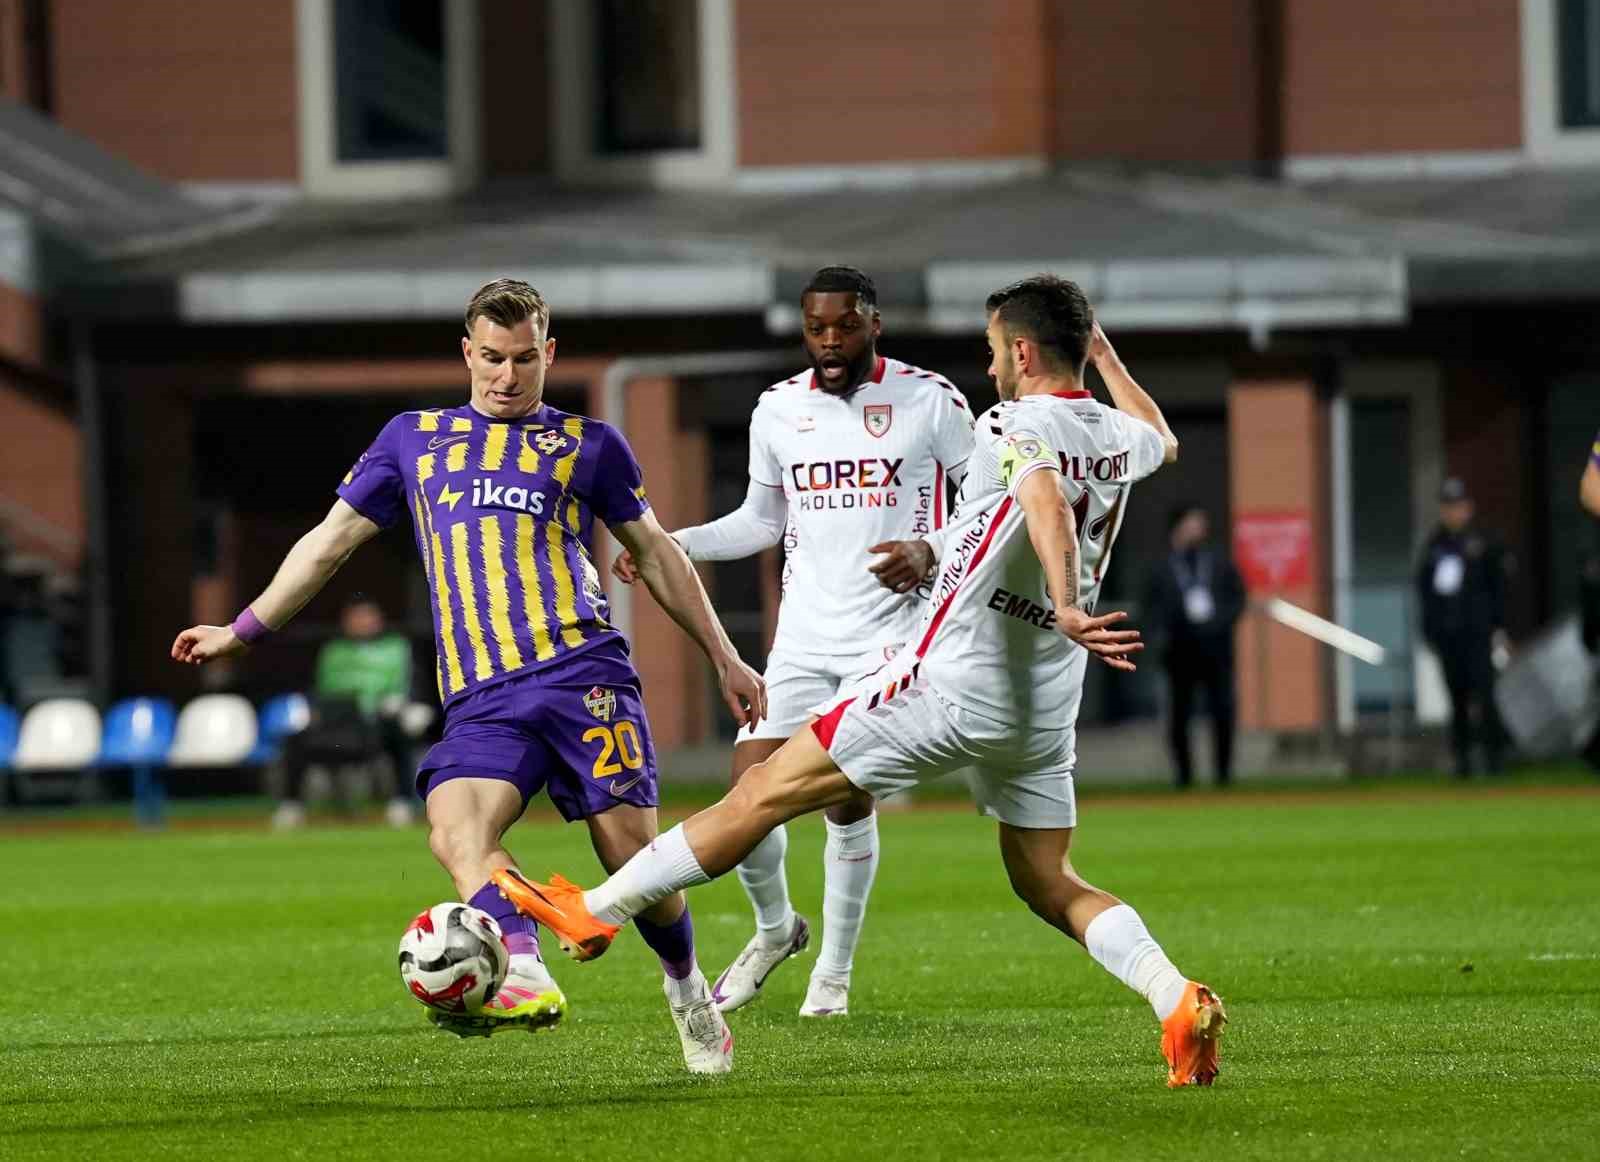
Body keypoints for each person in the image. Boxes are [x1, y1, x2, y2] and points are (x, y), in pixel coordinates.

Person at [496, 276, 1230, 1089]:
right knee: (1047, 880)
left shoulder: (1009, 423)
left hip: (951, 682)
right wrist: (1106, 359)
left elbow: (1043, 494)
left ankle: (594, 912)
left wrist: (1064, 602)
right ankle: (1175, 996)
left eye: (995, 351)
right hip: (1044, 704)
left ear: (1021, 352)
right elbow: (1160, 438)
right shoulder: (1112, 433)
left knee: (764, 790)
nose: (990, 369)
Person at [172, 278, 765, 1075]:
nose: (507, 376)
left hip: (581, 673)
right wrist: (243, 629)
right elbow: (329, 539)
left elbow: (656, 553)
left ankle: (689, 992)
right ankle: (520, 965)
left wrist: (723, 656)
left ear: (548, 355)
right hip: (482, 696)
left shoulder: (589, 444)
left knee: (634, 862)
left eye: (525, 359)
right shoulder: (412, 439)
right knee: (456, 832)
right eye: (491, 358)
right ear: (466, 352)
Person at [612, 266, 975, 1018]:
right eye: (817, 329)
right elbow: (760, 521)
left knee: (846, 801)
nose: (830, 341)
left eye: (845, 326)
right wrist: (671, 544)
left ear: (874, 322)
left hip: (890, 640)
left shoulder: (931, 399)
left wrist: (932, 550)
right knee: (750, 794)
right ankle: (776, 930)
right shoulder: (777, 409)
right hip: (804, 640)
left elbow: (990, 507)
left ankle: (833, 978)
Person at [273, 595, 418, 830]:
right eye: (357, 617)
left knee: (397, 732)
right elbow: (325, 691)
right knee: (295, 739)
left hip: (376, 721)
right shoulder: (334, 651)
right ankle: (292, 806)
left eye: (368, 616)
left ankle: (400, 803)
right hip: (338, 723)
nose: (364, 622)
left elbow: (404, 685)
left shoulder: (397, 647)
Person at [1415, 477, 1511, 777]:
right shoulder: (1434, 546)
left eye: (1457, 506)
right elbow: (1425, 593)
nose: (1453, 512)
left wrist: (1499, 626)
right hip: (1448, 635)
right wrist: (1430, 631)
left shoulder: (1484, 542)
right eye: (1447, 506)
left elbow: (1499, 588)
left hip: (1478, 634)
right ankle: (1463, 761)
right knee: (1456, 697)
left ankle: (1495, 758)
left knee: (1485, 694)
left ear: (1467, 508)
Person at [1144, 506, 1245, 788]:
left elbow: (1237, 597)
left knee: (1223, 711)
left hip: (1216, 649)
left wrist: (1221, 622)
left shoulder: (1218, 562)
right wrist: (1162, 635)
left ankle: (1223, 774)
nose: (1199, 529)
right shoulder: (1161, 568)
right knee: (1179, 715)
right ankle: (1184, 775)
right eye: (1193, 523)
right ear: (1178, 527)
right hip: (1179, 651)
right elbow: (1150, 607)